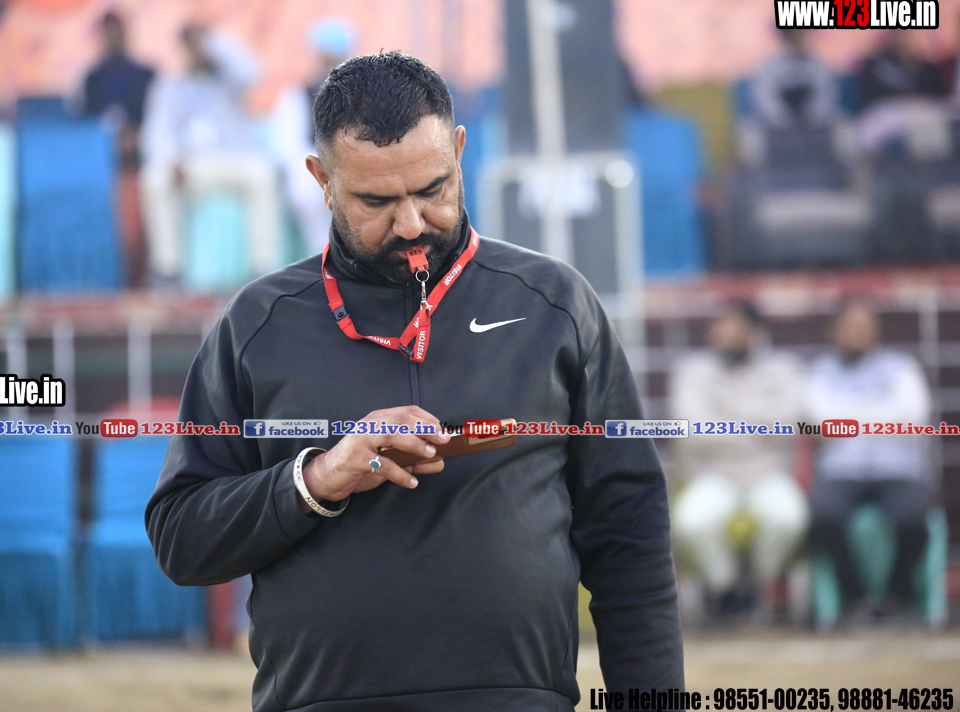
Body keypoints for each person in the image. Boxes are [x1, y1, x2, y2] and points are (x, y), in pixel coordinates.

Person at [145, 52, 683, 710]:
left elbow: (630, 537)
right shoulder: (257, 324)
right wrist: (315, 480)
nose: (410, 223)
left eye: (433, 189)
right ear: (321, 179)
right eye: (376, 201)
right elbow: (181, 539)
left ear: (459, 151)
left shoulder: (556, 306)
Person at [669, 302, 807, 620]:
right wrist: (757, 426)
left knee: (789, 519)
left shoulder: (783, 369)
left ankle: (759, 586)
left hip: (769, 473)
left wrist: (725, 423)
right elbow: (692, 430)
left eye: (734, 327)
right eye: (720, 326)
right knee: (692, 522)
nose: (725, 334)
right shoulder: (693, 372)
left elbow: (790, 423)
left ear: (755, 332)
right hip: (713, 474)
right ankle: (728, 589)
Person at [806, 299, 933, 622]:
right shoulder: (820, 372)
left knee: (912, 519)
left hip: (898, 468)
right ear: (834, 331)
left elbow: (912, 419)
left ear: (877, 331)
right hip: (841, 470)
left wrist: (849, 417)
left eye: (864, 326)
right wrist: (880, 412)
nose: (857, 333)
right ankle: (856, 599)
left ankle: (897, 597)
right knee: (824, 516)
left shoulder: (902, 368)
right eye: (850, 326)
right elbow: (821, 424)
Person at [140, 24, 279, 286]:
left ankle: (262, 267)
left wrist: (213, 43)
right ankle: (168, 269)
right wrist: (171, 159)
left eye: (202, 43)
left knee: (262, 174)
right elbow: (157, 133)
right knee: (154, 179)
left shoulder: (230, 80)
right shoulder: (171, 86)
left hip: (232, 161)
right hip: (191, 167)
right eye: (192, 45)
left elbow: (253, 71)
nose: (198, 51)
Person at [269, 18, 353, 256]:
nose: (330, 64)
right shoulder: (296, 94)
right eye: (325, 57)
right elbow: (287, 143)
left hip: (351, 163)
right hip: (311, 163)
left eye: (335, 57)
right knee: (306, 192)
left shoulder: (360, 95)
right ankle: (322, 253)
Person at [79, 10, 155, 167]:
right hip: (105, 154)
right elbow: (87, 120)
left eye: (117, 32)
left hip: (144, 149)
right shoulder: (93, 80)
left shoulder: (145, 75)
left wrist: (136, 133)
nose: (113, 38)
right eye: (109, 33)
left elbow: (158, 116)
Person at [751, 29, 839, 129]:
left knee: (842, 127)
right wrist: (781, 116)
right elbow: (765, 97)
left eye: (800, 35)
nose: (797, 39)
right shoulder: (770, 65)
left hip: (813, 123)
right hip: (777, 124)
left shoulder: (818, 64)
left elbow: (825, 95)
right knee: (751, 130)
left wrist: (812, 114)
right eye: (793, 35)